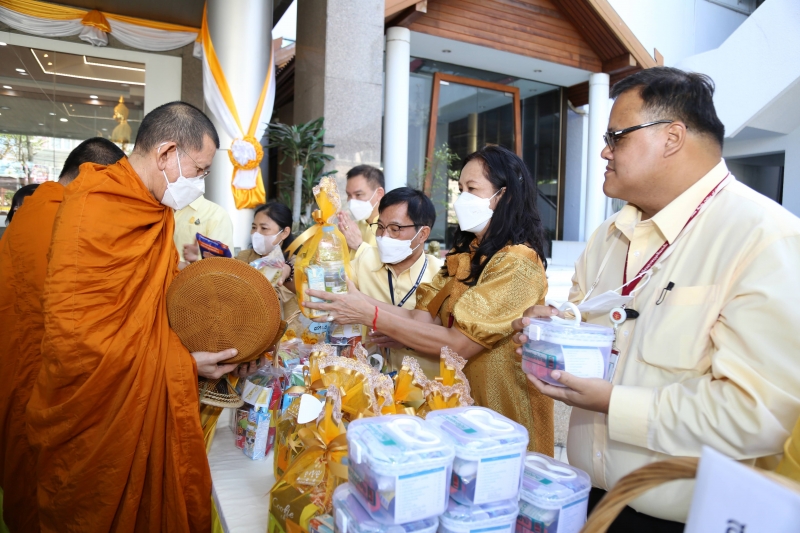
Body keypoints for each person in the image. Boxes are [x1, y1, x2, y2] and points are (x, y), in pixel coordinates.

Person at [514, 67, 800, 530]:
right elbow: (593, 333)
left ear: (672, 137)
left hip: (681, 519)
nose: (604, 151)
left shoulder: (764, 238)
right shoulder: (608, 236)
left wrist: (614, 403)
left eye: (616, 136)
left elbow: (758, 415)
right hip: (590, 498)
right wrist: (553, 330)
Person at [24, 102, 240, 532]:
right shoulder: (96, 205)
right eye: (199, 170)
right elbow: (79, 345)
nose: (199, 183)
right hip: (95, 415)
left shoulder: (155, 209)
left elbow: (147, 305)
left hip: (137, 396)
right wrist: (183, 366)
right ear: (166, 153)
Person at [304, 145, 554, 454]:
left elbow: (459, 343)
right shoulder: (468, 254)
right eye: (460, 189)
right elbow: (420, 317)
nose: (461, 199)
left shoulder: (517, 262)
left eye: (472, 189)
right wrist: (357, 301)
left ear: (504, 195)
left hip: (502, 408)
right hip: (463, 403)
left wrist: (369, 314)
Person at [0, 137, 125, 533]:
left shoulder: (32, 212)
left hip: (22, 374)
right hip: (50, 385)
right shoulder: (62, 218)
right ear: (93, 175)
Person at [349, 187, 443, 377]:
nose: (384, 237)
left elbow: (456, 342)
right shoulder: (365, 260)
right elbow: (329, 284)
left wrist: (408, 337)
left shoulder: (441, 275)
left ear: (423, 234)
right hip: (370, 383)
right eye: (380, 227)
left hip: (424, 387)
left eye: (395, 229)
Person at [337, 165, 384, 260]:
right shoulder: (352, 227)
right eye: (349, 195)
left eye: (358, 194)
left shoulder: (393, 229)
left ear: (379, 194)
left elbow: (388, 266)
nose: (352, 201)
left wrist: (359, 245)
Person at [174, 194, 234, 268]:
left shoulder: (216, 214)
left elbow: (220, 269)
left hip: (191, 274)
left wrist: (193, 263)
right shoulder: (163, 211)